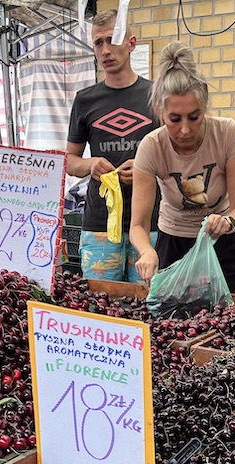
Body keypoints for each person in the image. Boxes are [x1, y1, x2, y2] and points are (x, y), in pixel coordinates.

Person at [130, 41, 235, 293]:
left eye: (194, 117)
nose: (185, 129)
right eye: (174, 119)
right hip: (174, 244)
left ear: (205, 107)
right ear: (159, 111)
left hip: (225, 243)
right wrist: (146, 251)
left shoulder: (228, 134)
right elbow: (138, 225)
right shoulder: (151, 147)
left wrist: (228, 221)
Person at [66, 10, 160, 282]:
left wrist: (146, 170)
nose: (106, 50)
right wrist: (90, 164)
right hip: (99, 225)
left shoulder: (156, 96)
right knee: (99, 307)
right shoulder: (85, 100)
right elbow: (70, 160)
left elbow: (175, 159)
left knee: (146, 305)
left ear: (131, 43)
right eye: (98, 43)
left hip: (150, 224)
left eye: (112, 39)